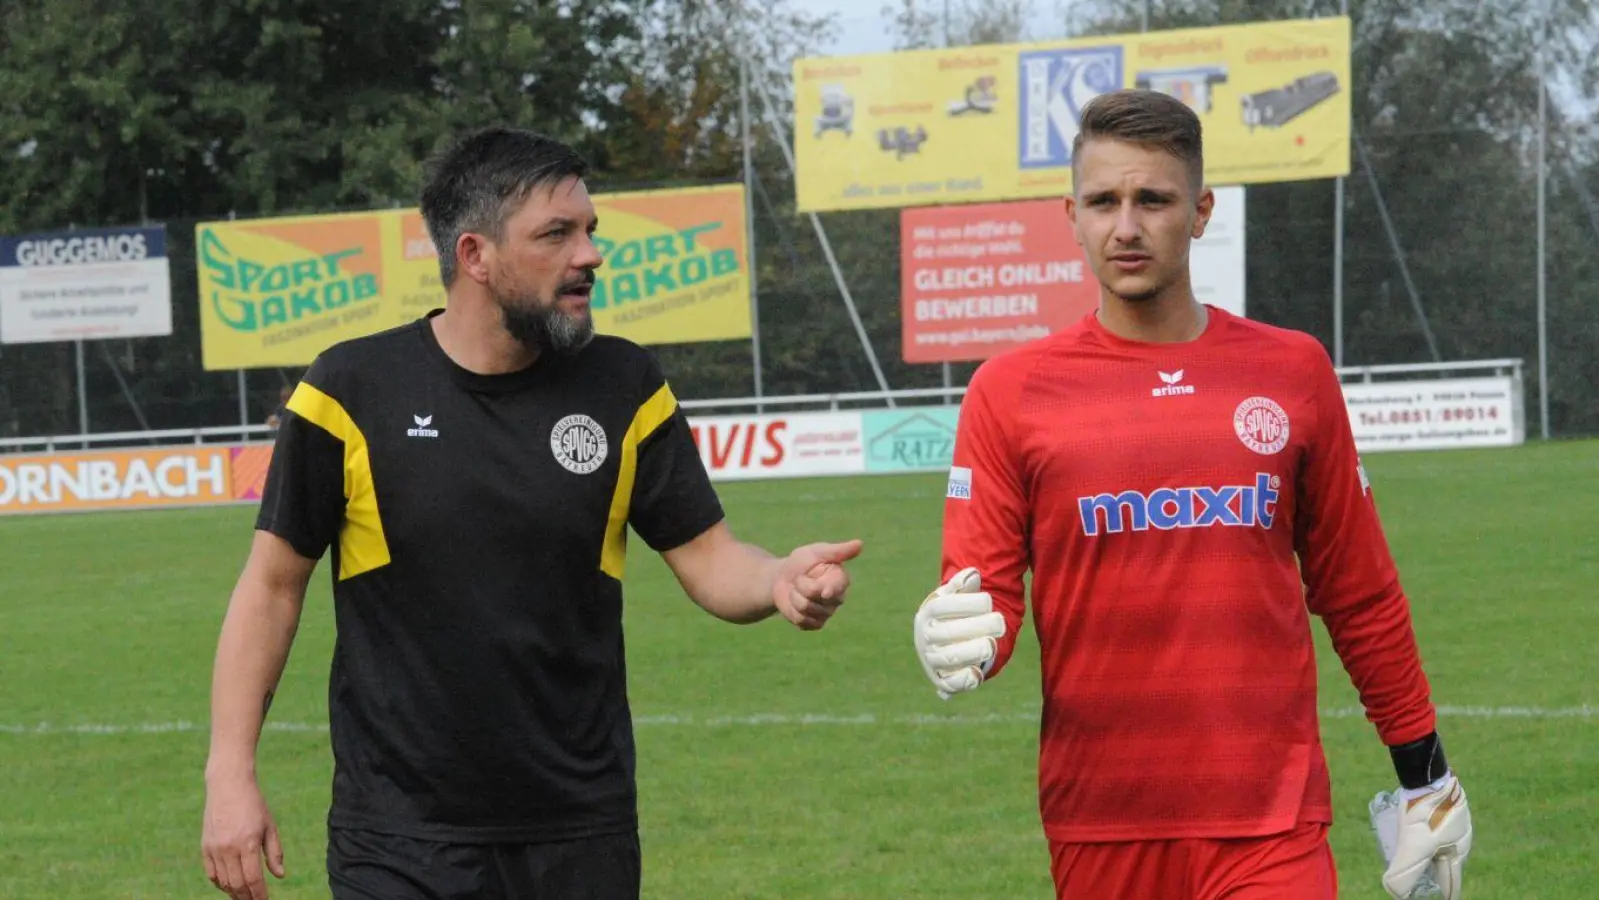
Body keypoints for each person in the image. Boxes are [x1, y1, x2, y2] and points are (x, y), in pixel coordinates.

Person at [201, 125, 865, 900]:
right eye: (557, 234)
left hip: (580, 830)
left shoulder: (624, 384)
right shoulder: (349, 391)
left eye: (590, 230)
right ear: (475, 256)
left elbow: (710, 557)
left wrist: (778, 578)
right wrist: (229, 774)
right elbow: (273, 587)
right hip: (398, 838)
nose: (590, 254)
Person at [911, 89, 1472, 900]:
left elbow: (1359, 591)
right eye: (1103, 202)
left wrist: (1424, 776)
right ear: (1069, 214)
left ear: (1200, 211)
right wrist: (957, 640)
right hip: (1098, 818)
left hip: (1272, 818)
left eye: (1153, 200)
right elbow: (983, 601)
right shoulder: (1009, 392)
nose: (1126, 227)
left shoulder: (1291, 372)